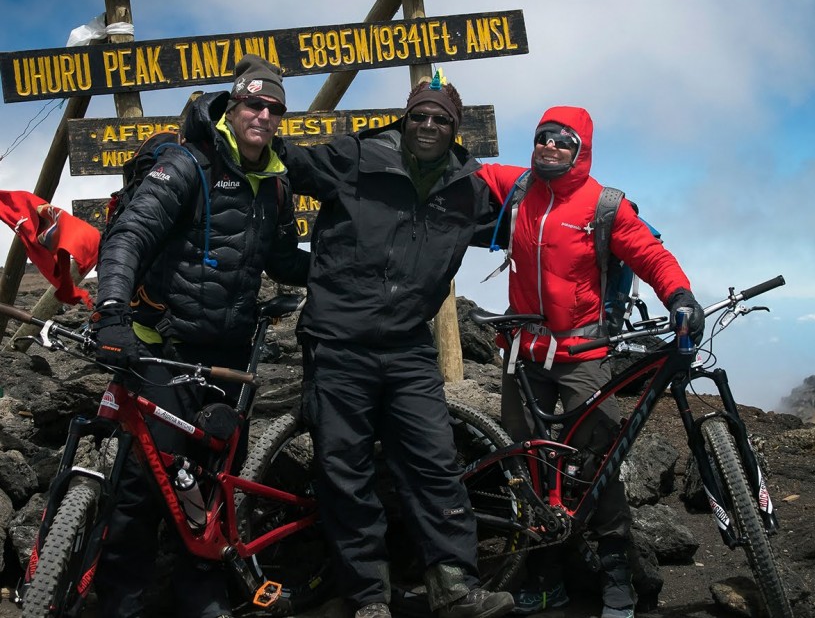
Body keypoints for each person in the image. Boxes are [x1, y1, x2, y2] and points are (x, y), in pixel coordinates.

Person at [277, 72, 515, 618]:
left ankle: (453, 587)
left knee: (435, 462)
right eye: (420, 116)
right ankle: (368, 599)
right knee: (346, 470)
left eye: (441, 119)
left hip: (408, 347)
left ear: (455, 130)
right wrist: (226, 124)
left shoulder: (469, 189)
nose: (428, 125)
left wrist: (613, 224)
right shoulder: (356, 158)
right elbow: (283, 159)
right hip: (337, 342)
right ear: (406, 118)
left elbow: (538, 226)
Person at [91, 54, 309, 618]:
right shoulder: (187, 166)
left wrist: (347, 267)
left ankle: (203, 596)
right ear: (232, 106)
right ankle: (123, 602)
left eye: (273, 108)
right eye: (253, 103)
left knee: (215, 482)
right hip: (163, 346)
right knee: (147, 482)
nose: (262, 114)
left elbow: (284, 259)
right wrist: (111, 311)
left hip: (231, 355)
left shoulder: (275, 185)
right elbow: (128, 237)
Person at [476, 106, 705, 618]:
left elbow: (650, 254)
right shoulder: (517, 188)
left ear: (582, 150)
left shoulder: (603, 205)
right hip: (524, 355)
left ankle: (616, 575)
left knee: (598, 467)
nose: (550, 147)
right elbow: (459, 167)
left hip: (583, 356)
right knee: (531, 466)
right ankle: (546, 574)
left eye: (563, 140)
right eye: (543, 137)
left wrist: (680, 296)